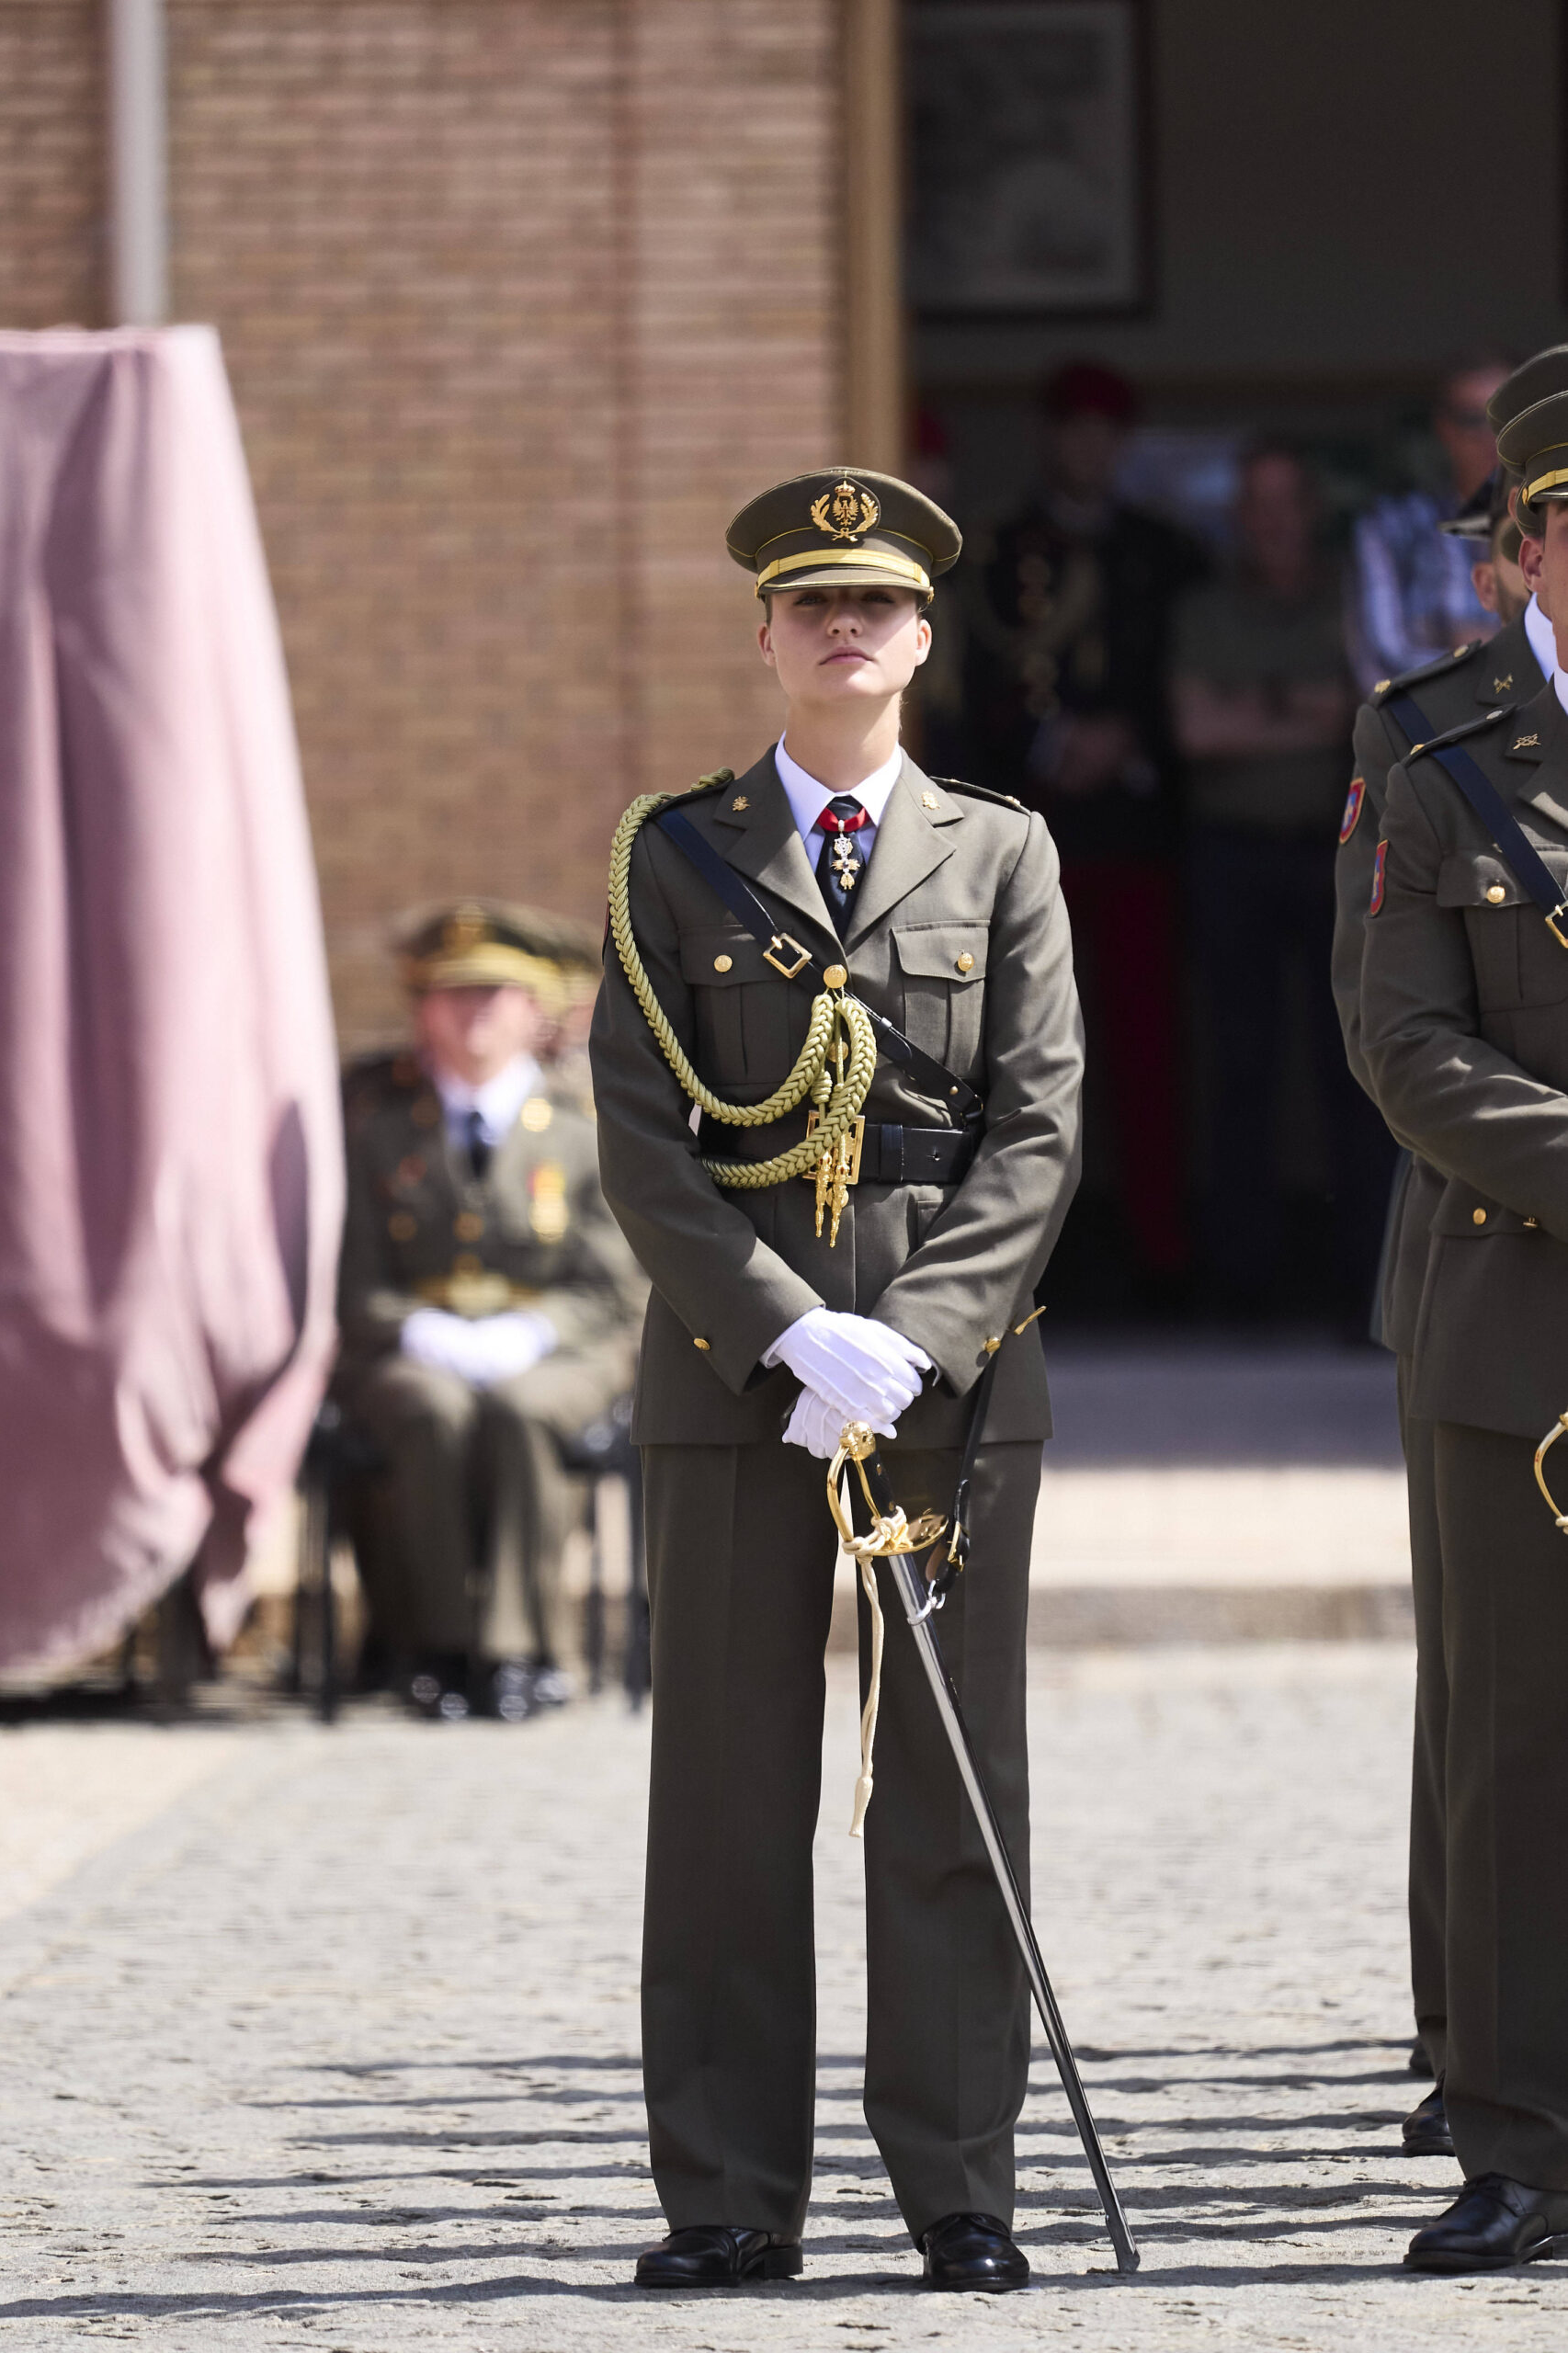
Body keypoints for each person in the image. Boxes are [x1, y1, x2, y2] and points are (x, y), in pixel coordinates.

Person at [590, 470, 1084, 2291]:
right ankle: (727, 2189)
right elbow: (644, 1139)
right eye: (812, 605)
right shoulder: (673, 850)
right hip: (740, 1381)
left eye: (875, 604)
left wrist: (918, 1335)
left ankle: (959, 2182)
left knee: (947, 1791)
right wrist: (788, 1327)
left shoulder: (1001, 850)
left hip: (950, 1389)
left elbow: (1037, 1127)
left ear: (926, 636)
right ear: (766, 634)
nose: (845, 630)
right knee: (726, 1787)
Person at [1359, 350, 1568, 2271]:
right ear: (1520, 548)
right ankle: (1515, 2132)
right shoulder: (1427, 745)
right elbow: (1401, 1037)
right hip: (1518, 1301)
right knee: (1513, 1738)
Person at [335, 903, 644, 1721]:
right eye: (452, 994)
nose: (473, 1012)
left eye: (495, 993)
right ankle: (433, 1646)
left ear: (534, 1009)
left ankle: (524, 1648)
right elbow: (352, 1275)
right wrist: (415, 1329)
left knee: (521, 1410)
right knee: (431, 1411)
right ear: (420, 1010)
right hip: (410, 1346)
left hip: (558, 1350)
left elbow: (615, 1285)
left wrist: (534, 1333)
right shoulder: (376, 1125)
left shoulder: (584, 1127)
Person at [960, 361, 1205, 1305]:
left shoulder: (1167, 551)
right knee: (1022, 1057)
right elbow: (970, 678)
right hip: (1031, 836)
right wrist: (1054, 738)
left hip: (1139, 834)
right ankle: (1024, 1261)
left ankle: (1161, 1253)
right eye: (1074, 428)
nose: (1090, 447)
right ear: (1047, 437)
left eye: (1109, 430)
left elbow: (1181, 671)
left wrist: (1129, 737)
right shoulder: (991, 549)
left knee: (1149, 1052)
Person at [1171, 439, 1386, 1318]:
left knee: (1356, 1069)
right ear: (1236, 518)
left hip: (1336, 852)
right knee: (1239, 1066)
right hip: (1230, 853)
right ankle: (1241, 1284)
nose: (1270, 523)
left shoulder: (1352, 594)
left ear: (1311, 510)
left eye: (1284, 503)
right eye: (1253, 505)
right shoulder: (1200, 607)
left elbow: (1360, 706)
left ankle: (1361, 1281)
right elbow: (1195, 731)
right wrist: (1300, 706)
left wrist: (1249, 706)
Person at [1346, 355, 1512, 694]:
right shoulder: (1390, 528)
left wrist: (1446, 633)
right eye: (1473, 420)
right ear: (1444, 429)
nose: (1492, 437)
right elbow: (1386, 666)